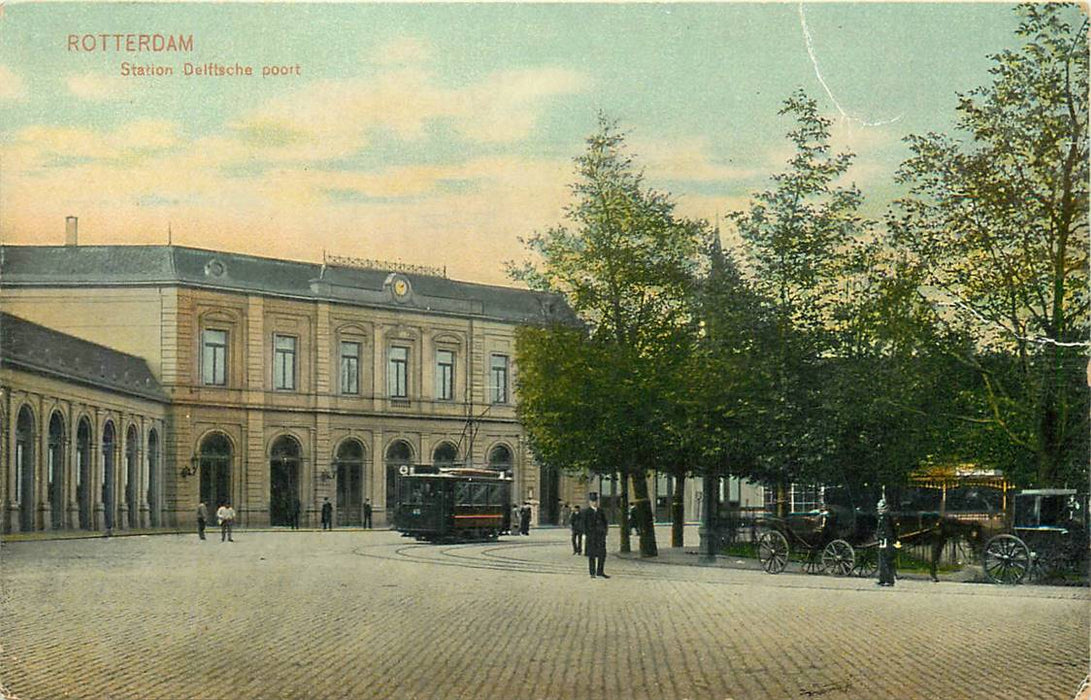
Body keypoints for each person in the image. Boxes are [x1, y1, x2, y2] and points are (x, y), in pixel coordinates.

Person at [584, 494, 609, 579]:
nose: (594, 503)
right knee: (592, 555)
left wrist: (605, 531)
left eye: (595, 501)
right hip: (591, 536)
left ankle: (600, 571)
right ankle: (592, 572)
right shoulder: (586, 512)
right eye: (592, 501)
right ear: (589, 502)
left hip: (600, 536)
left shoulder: (601, 511)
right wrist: (587, 534)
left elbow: (605, 522)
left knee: (602, 554)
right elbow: (584, 524)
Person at [876, 497, 899, 587]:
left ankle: (888, 580)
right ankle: (883, 579)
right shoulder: (884, 517)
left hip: (886, 542)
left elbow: (887, 531)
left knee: (886, 561)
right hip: (884, 541)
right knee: (882, 561)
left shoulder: (885, 517)